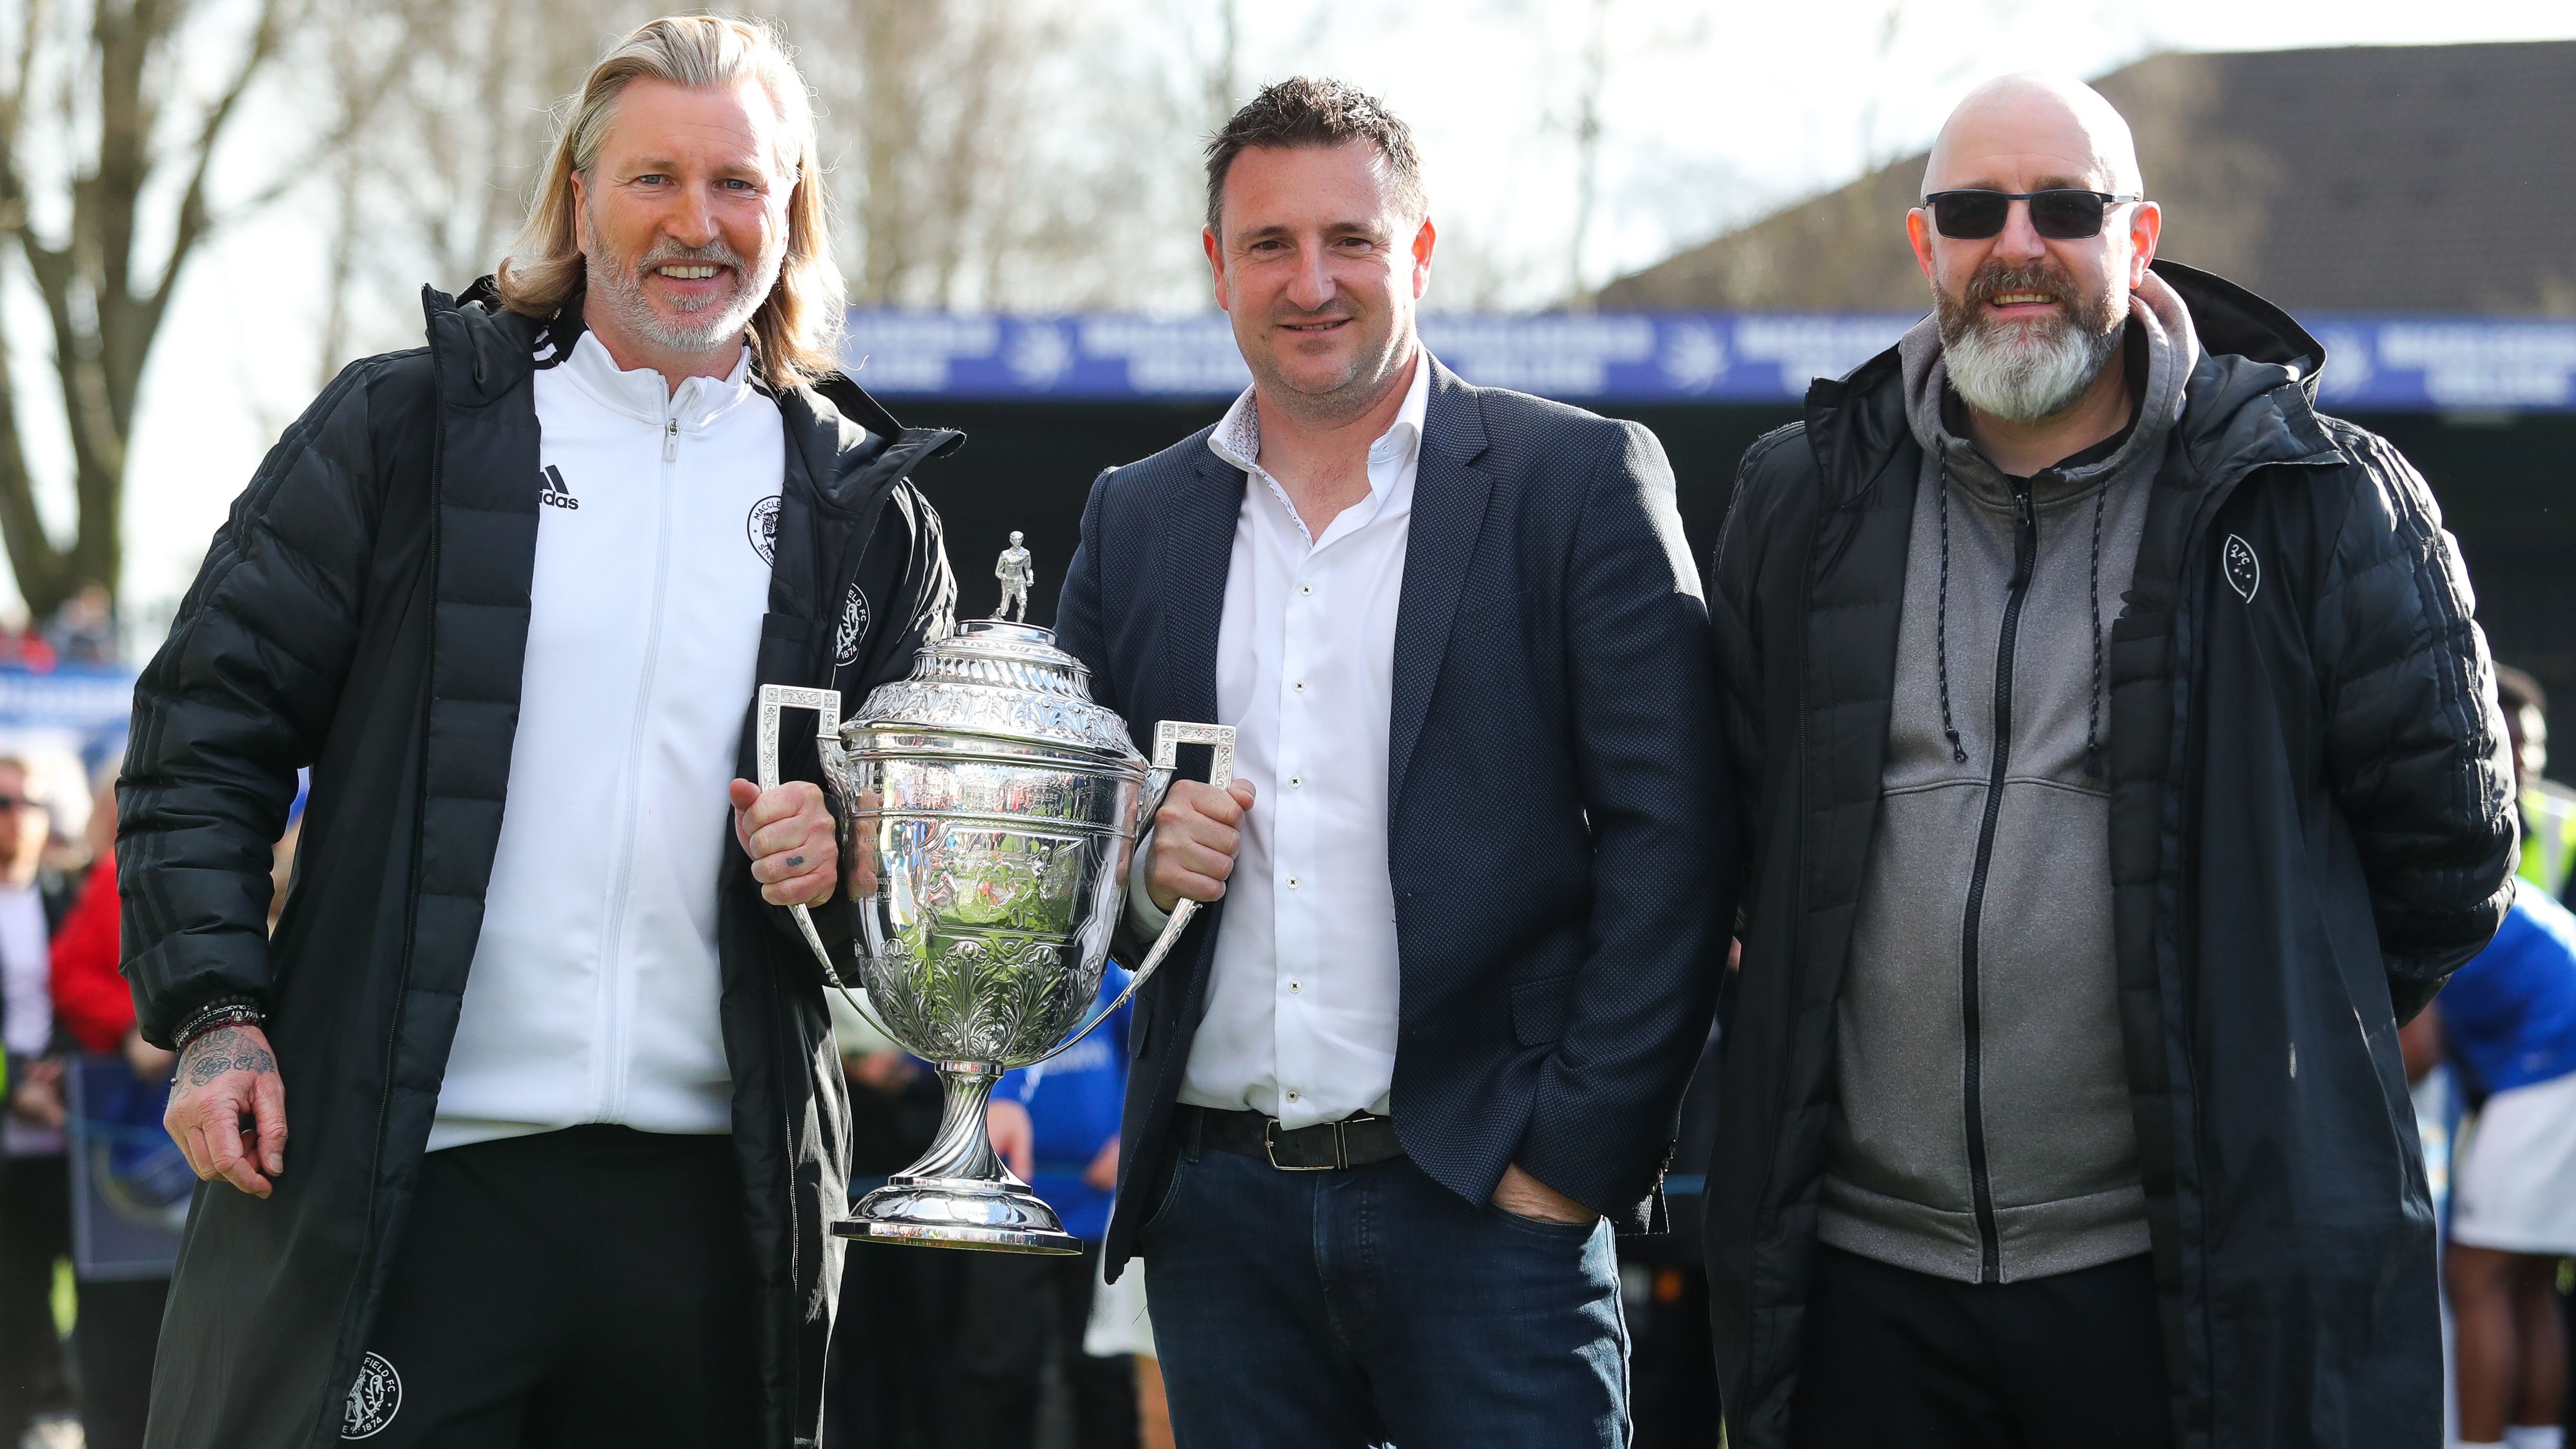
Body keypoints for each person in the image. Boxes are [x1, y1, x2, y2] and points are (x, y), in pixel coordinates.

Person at [116, 17, 957, 1449]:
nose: (696, 224)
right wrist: (214, 1014)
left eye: (739, 185)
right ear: (580, 197)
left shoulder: (867, 515)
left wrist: (861, 860)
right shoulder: (408, 430)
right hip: (418, 1179)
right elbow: (205, 726)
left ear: (791, 207)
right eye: (654, 179)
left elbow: (922, 900)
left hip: (719, 1211)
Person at [1702, 74, 2515, 1449]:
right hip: (1857, 1289)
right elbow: (1729, 834)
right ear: (1925, 247)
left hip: (2174, 1280)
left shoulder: (2316, 493)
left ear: (2134, 239)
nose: (2015, 245)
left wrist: (2263, 1007)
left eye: (2063, 209)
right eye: (1971, 210)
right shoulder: (1799, 498)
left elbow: (2446, 856)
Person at [1053, 77, 1730, 1448]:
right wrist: (1135, 867)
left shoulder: (1576, 480)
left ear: (1415, 252)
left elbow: (1681, 839)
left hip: (1492, 1205)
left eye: (1349, 240)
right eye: (1268, 244)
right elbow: (1074, 845)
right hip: (1216, 1218)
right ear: (1214, 267)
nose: (1310, 282)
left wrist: (1568, 1162)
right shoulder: (1132, 520)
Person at [2411, 666, 2576, 1449]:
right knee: (2526, 1276)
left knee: (2473, 1275)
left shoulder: (2427, 843)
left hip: (2552, 1062)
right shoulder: (2482, 838)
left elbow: (2419, 1046)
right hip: (2554, 1054)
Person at [45, 774, 174, 1449]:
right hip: (138, 1144)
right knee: (127, 1329)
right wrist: (141, 1025)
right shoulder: (123, 874)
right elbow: (70, 975)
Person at [962, 980, 1135, 1448]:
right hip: (1005, 1214)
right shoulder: (993, 978)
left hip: (1095, 1214)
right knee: (1002, 1365)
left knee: (1102, 1367)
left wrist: (1129, 1138)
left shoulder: (1111, 975)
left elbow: (1148, 1052)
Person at [0, 758, 76, 1445]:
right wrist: (13, 1085)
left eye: (31, 801)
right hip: (10, 1125)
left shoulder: (67, 897)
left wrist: (63, 1064)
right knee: (14, 1279)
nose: (19, 814)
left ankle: (68, 1394)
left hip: (70, 1123)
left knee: (82, 1268)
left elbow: (91, 992)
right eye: (5, 801)